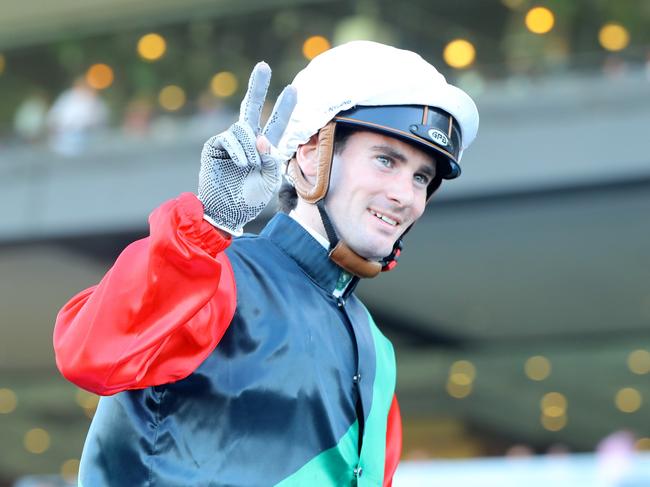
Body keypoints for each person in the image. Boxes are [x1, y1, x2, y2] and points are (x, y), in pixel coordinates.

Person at [53, 41, 478, 486]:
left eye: (421, 177)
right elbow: (88, 355)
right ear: (313, 155)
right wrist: (209, 223)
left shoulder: (379, 351)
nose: (405, 195)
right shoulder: (213, 274)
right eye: (385, 160)